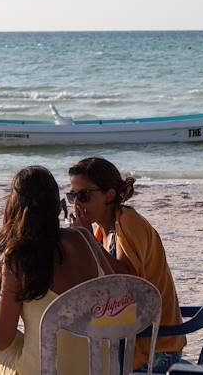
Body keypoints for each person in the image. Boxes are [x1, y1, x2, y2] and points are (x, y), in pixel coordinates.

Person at [0, 165, 113, 375]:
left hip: (44, 371)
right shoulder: (84, 237)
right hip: (98, 368)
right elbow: (116, 286)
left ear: (14, 207)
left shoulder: (18, 259)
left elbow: (1, 341)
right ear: (57, 206)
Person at [68, 157, 186, 373]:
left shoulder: (127, 222)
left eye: (83, 195)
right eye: (72, 196)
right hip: (134, 334)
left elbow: (128, 282)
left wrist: (87, 239)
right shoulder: (103, 230)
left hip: (154, 347)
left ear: (109, 195)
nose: (77, 204)